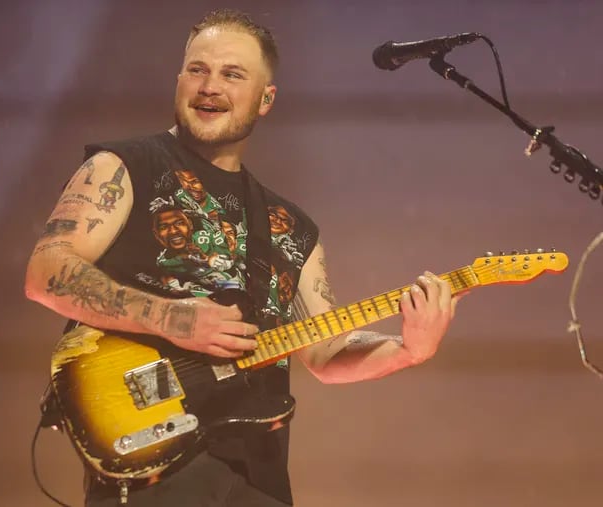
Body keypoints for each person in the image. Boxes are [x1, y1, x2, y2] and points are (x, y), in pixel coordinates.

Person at [25, 8, 461, 507]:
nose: (210, 86)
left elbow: (326, 354)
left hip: (260, 479)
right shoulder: (122, 167)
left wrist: (410, 350)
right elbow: (46, 272)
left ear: (266, 98)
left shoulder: (293, 227)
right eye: (197, 70)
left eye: (232, 74)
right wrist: (173, 319)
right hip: (156, 464)